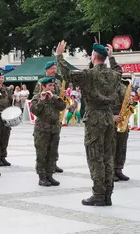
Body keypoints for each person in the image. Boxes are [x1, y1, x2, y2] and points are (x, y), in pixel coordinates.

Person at [56, 40, 123, 206]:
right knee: (108, 156)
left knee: (95, 157)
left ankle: (98, 194)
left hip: (94, 117)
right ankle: (108, 194)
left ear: (93, 57)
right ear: (104, 57)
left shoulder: (89, 74)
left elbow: (67, 75)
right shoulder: (114, 75)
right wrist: (112, 58)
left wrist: (59, 56)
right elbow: (118, 71)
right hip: (109, 117)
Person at [30, 77, 66, 187]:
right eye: (49, 85)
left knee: (52, 153)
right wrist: (41, 100)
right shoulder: (36, 98)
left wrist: (54, 98)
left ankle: (50, 175)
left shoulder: (55, 97)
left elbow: (63, 106)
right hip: (42, 130)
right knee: (42, 154)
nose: (52, 87)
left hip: (54, 129)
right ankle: (42, 177)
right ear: (43, 87)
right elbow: (35, 111)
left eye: (53, 85)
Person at [34, 61, 64, 173]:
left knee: (55, 142)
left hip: (55, 116)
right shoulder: (40, 82)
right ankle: (43, 170)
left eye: (55, 68)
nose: (54, 70)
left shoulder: (58, 82)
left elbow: (60, 97)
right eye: (52, 68)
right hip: (44, 117)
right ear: (46, 70)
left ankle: (53, 163)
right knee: (43, 146)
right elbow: (37, 97)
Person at [112, 82, 137, 182]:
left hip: (122, 119)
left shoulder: (124, 87)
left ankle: (119, 169)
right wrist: (111, 117)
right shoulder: (106, 86)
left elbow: (130, 103)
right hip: (111, 119)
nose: (119, 76)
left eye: (121, 74)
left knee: (122, 146)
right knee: (111, 147)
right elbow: (99, 106)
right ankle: (110, 172)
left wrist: (131, 101)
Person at [0, 71, 12, 167]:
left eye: (2, 78)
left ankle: (3, 156)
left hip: (6, 115)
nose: (1, 79)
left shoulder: (6, 88)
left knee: (5, 136)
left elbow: (10, 100)